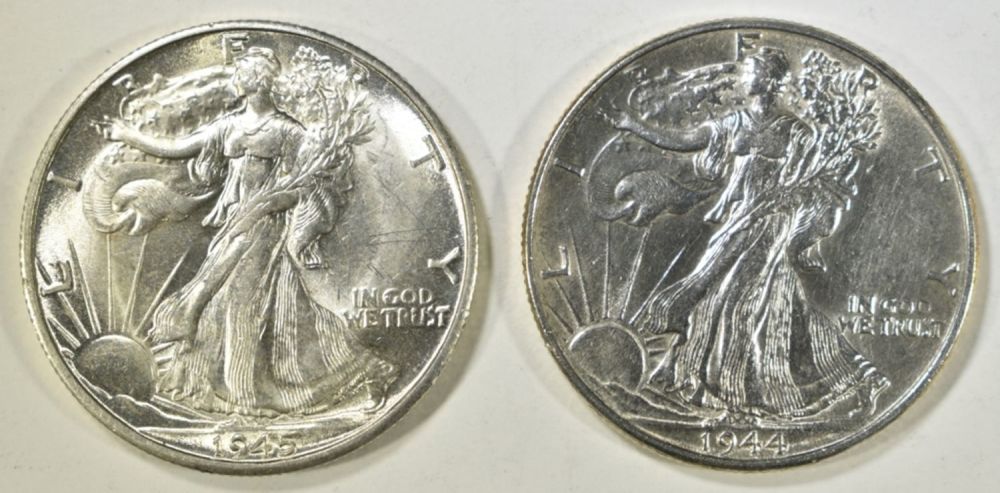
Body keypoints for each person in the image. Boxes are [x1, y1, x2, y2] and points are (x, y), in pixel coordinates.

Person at [100, 47, 396, 416]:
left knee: (244, 305)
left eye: (241, 74)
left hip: (266, 229)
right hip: (234, 221)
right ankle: (227, 384)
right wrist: (127, 135)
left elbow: (308, 186)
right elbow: (177, 148)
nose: (235, 80)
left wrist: (270, 204)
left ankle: (249, 392)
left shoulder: (288, 132)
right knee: (224, 305)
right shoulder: (228, 126)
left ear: (255, 80)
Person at [609, 47, 888, 419]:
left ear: (769, 79)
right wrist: (635, 126)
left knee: (736, 298)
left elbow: (816, 187)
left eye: (751, 71)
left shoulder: (795, 132)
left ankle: (737, 389)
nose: (744, 77)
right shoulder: (734, 123)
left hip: (770, 226)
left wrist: (796, 220)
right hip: (736, 220)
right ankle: (730, 384)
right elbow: (686, 138)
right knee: (733, 297)